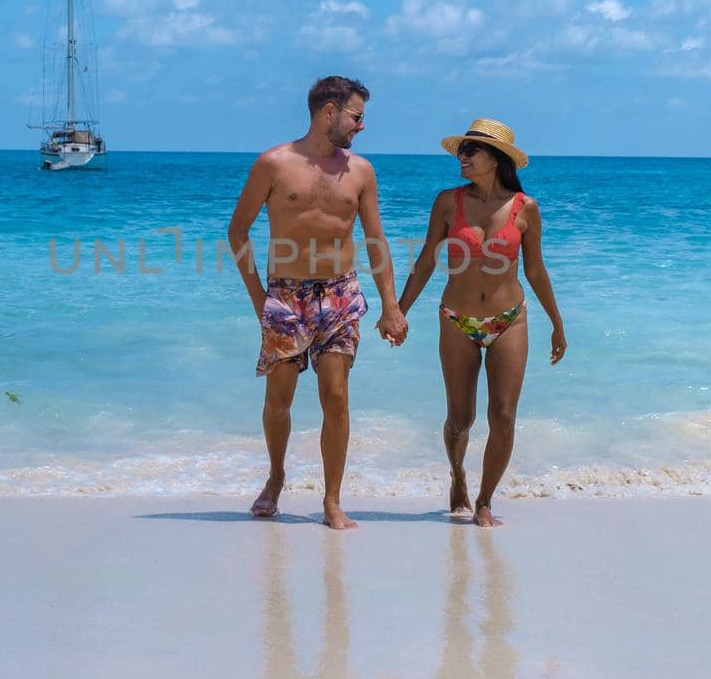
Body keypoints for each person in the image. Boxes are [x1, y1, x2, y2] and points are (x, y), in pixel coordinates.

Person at [228, 76, 408, 530]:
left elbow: (375, 240)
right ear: (330, 112)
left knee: (336, 396)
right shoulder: (274, 164)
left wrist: (391, 305)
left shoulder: (361, 171)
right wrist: (259, 299)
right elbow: (238, 231)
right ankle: (275, 476)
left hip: (340, 294)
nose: (362, 126)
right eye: (357, 116)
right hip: (286, 296)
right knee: (279, 401)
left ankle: (331, 501)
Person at [397, 119, 566, 527]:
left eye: (472, 151)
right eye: (462, 150)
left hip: (510, 318)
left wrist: (557, 324)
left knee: (503, 415)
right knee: (460, 418)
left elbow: (537, 271)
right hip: (457, 319)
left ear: (498, 159)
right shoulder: (447, 202)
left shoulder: (526, 208)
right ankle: (457, 474)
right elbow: (425, 263)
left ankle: (485, 500)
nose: (463, 158)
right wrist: (398, 311)